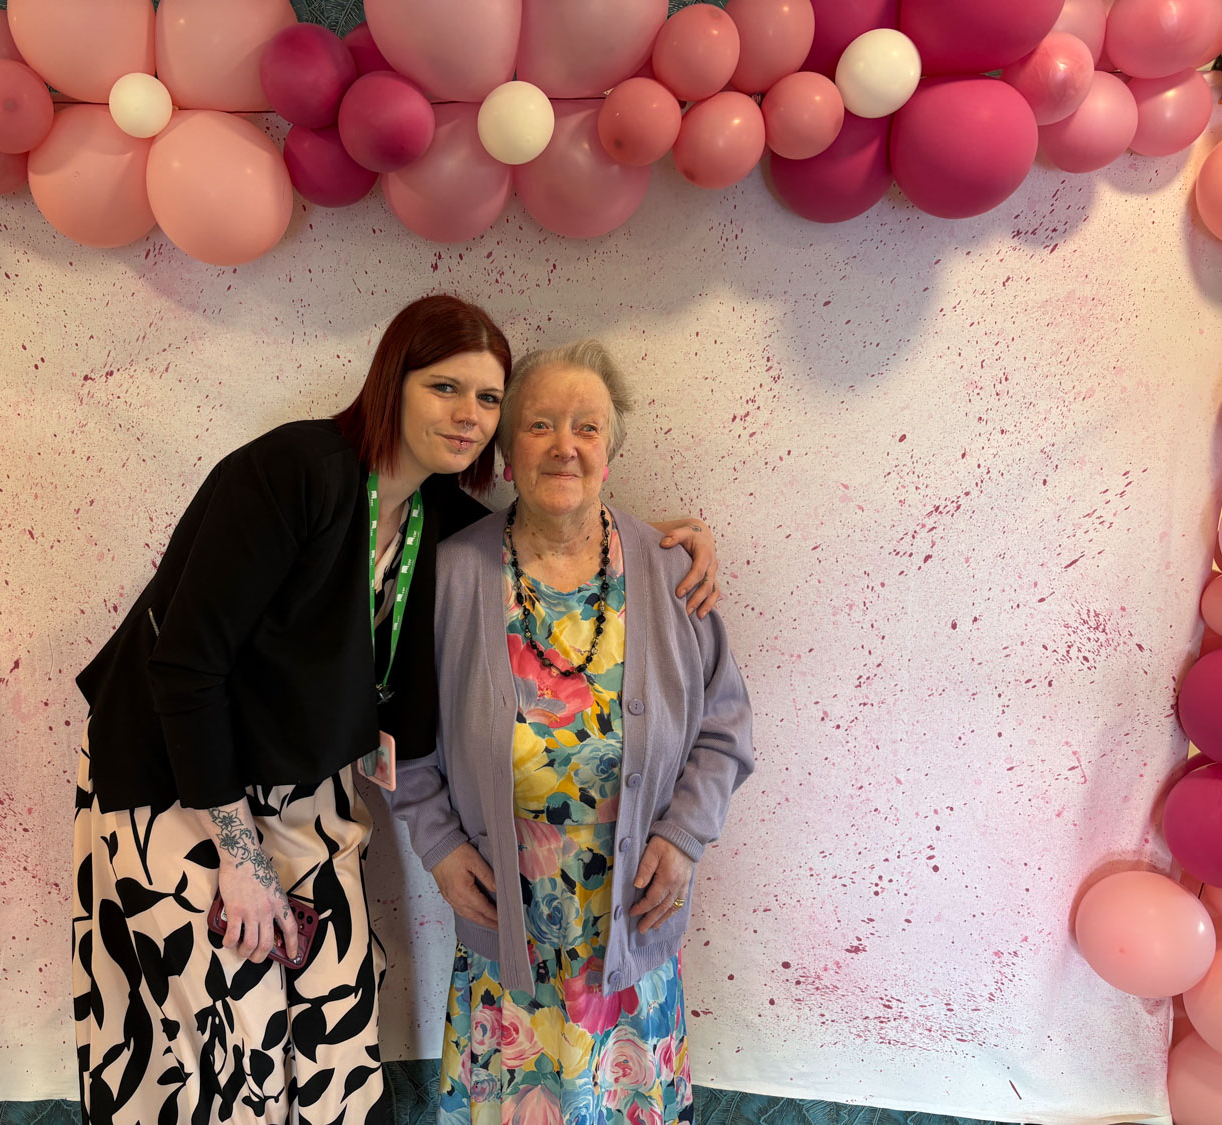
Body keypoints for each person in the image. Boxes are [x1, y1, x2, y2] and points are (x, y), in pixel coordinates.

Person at [71, 299, 722, 1125]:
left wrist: (658, 542)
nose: (468, 414)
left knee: (337, 1028)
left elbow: (547, 525)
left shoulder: (433, 515)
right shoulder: (292, 471)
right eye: (445, 386)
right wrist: (240, 859)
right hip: (176, 782)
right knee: (227, 1038)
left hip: (302, 789)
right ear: (392, 380)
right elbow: (185, 669)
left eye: (487, 398)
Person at [390, 340, 754, 1125]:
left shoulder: (670, 571)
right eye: (540, 425)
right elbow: (397, 737)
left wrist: (684, 838)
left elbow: (725, 724)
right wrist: (438, 845)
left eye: (586, 427)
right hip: (507, 945)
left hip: (631, 937)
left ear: (609, 451)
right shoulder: (449, 576)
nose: (565, 445)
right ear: (506, 453)